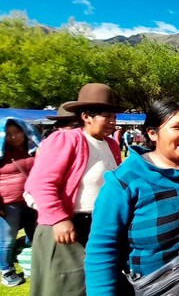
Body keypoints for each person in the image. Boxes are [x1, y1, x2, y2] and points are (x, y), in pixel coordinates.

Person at [85, 100, 179, 295]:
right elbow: (102, 251)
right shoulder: (124, 182)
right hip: (157, 289)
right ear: (152, 133)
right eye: (178, 127)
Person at [25, 83, 123, 296]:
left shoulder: (111, 145)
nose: (113, 122)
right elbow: (41, 183)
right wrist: (59, 219)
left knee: (95, 284)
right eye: (107, 116)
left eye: (114, 116)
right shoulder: (66, 140)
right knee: (66, 287)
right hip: (66, 228)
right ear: (87, 116)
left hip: (97, 226)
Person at [0, 117, 40, 287]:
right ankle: (6, 270)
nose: (14, 137)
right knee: (7, 239)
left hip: (32, 199)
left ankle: (35, 265)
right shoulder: (1, 152)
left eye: (17, 132)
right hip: (9, 202)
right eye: (8, 134)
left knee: (35, 234)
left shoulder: (34, 149)